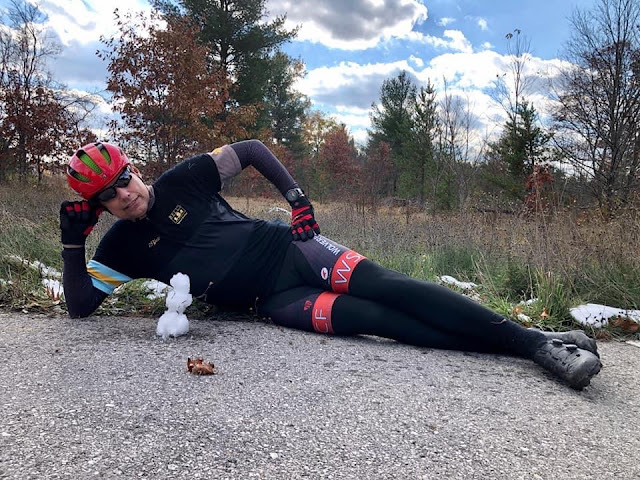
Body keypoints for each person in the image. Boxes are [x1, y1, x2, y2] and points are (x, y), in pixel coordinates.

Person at [60, 140, 602, 390]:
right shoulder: (121, 248)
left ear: (134, 169)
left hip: (295, 248)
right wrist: (71, 244)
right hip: (275, 302)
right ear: (98, 206)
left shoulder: (185, 177)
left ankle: (536, 346)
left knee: (390, 286)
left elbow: (251, 149)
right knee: (380, 321)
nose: (124, 195)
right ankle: (536, 340)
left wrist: (298, 200)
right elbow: (81, 306)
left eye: (124, 180)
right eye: (108, 195)